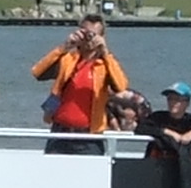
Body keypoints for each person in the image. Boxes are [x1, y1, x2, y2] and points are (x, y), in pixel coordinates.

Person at [31, 17, 125, 155]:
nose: (88, 39)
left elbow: (121, 86)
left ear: (101, 37)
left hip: (89, 136)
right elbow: (38, 72)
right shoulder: (67, 59)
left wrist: (105, 52)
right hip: (60, 133)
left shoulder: (104, 65)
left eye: (93, 35)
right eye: (85, 33)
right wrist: (65, 46)